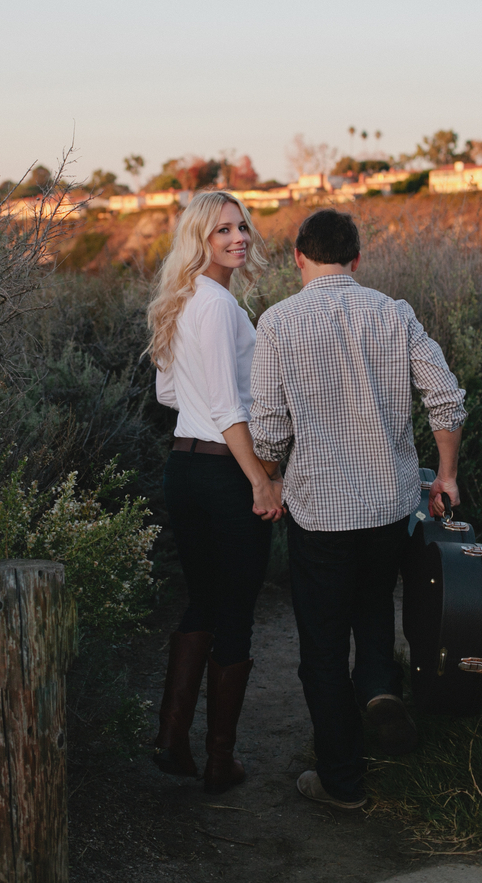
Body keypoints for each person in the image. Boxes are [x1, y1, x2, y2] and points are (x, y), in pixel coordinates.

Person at [249, 209, 467, 810]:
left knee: (322, 645)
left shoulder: (278, 322)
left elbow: (267, 431)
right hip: (389, 506)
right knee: (373, 604)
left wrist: (271, 476)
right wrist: (446, 475)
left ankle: (341, 782)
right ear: (357, 259)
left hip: (320, 512)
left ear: (298, 257)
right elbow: (445, 399)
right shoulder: (394, 314)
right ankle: (376, 687)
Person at [147, 190, 283, 794]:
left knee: (202, 600)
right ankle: (219, 761)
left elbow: (168, 395)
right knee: (235, 612)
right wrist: (261, 481)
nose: (239, 238)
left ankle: (171, 740)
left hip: (182, 468)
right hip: (227, 473)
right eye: (222, 230)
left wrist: (208, 409)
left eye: (242, 227)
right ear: (199, 240)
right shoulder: (222, 306)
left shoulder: (180, 300)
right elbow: (229, 408)